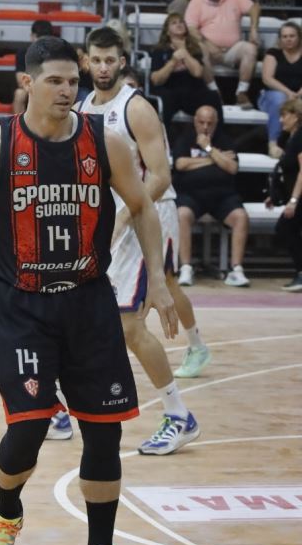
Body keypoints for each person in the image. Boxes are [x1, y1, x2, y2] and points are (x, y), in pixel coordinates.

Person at [0, 36, 178, 545]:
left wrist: (159, 280)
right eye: (56, 81)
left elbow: (142, 206)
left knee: (105, 432)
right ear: (28, 83)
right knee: (30, 426)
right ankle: (6, 512)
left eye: (74, 80)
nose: (68, 90)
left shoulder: (105, 143)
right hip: (23, 306)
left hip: (88, 301)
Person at [79, 26, 208, 456]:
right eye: (96, 60)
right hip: (112, 219)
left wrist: (122, 215)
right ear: (86, 61)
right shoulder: (82, 107)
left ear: (122, 61)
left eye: (110, 60)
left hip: (145, 215)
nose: (103, 67)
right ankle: (69, 403)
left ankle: (179, 415)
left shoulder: (136, 108)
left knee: (129, 324)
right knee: (91, 313)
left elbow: (161, 176)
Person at [174, 105, 250, 287]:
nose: (205, 127)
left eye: (210, 123)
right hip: (191, 195)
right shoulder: (185, 138)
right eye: (201, 122)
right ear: (195, 121)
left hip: (222, 196)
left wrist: (208, 148)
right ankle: (186, 268)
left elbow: (232, 168)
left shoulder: (225, 140)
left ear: (216, 123)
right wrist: (215, 158)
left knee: (241, 217)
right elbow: (180, 164)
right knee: (181, 215)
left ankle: (236, 270)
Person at [185, 0, 260, 109]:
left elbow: (254, 8)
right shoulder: (196, 1)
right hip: (208, 51)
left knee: (250, 48)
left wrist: (253, 29)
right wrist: (208, 43)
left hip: (232, 50)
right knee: (200, 48)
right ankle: (215, 93)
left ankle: (242, 92)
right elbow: (191, 29)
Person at [149, 12, 223, 136]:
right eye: (174, 23)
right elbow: (156, 80)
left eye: (181, 22)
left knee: (212, 96)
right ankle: (160, 142)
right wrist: (173, 62)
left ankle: (216, 140)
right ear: (167, 32)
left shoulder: (194, 48)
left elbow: (198, 73)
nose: (179, 24)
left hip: (192, 91)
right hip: (170, 90)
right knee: (164, 100)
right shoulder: (160, 50)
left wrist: (184, 52)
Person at [265, 99, 302, 292]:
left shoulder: (300, 137)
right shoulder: (290, 138)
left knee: (285, 228)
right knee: (287, 229)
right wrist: (275, 195)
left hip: (300, 198)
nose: (281, 120)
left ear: (296, 116)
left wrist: (294, 201)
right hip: (296, 196)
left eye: (284, 115)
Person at [258, 22, 302, 158]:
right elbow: (267, 78)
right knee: (279, 99)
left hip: (299, 95)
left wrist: (299, 94)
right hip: (272, 95)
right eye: (285, 36)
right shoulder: (273, 53)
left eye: (292, 36)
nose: (288, 39)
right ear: (280, 39)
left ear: (299, 37)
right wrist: (289, 93)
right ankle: (273, 144)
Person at [12, 20, 54, 114]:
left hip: (48, 87)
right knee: (19, 94)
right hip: (30, 87)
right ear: (32, 37)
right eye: (38, 39)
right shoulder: (23, 53)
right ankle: (18, 123)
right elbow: (20, 81)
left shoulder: (56, 54)